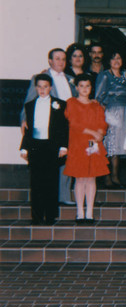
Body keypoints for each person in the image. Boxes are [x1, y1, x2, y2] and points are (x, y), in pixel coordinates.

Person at [22, 48, 77, 205]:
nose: (61, 62)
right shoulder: (41, 78)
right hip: (48, 129)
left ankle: (64, 195)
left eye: (64, 59)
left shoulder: (70, 78)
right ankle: (48, 197)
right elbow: (29, 102)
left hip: (68, 126)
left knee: (66, 159)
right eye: (57, 58)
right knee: (48, 164)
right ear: (50, 61)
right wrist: (23, 121)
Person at [20, 74, 68, 225]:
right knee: (36, 182)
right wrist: (24, 148)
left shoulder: (60, 104)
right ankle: (37, 216)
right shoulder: (30, 105)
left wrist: (64, 146)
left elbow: (63, 128)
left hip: (52, 146)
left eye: (45, 86)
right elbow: (28, 130)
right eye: (39, 86)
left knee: (51, 181)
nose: (42, 89)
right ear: (35, 87)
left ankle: (51, 216)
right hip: (36, 146)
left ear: (51, 88)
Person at [64, 74, 109, 224]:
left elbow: (102, 123)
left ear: (91, 88)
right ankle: (79, 211)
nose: (85, 89)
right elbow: (73, 123)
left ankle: (89, 212)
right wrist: (92, 132)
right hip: (78, 144)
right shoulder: (71, 103)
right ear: (76, 87)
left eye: (88, 86)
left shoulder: (96, 105)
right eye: (81, 86)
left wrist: (101, 133)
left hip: (94, 145)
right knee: (80, 178)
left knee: (91, 178)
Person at [95, 50, 126, 188]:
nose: (116, 61)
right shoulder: (105, 75)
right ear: (108, 61)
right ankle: (107, 177)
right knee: (109, 146)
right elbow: (98, 97)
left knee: (118, 148)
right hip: (110, 113)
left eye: (119, 58)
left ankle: (116, 177)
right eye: (113, 58)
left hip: (124, 114)